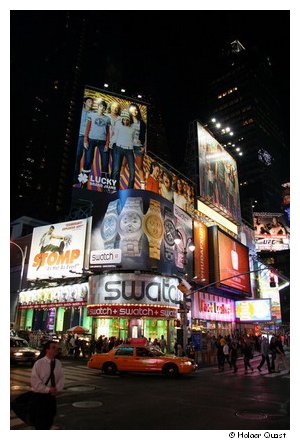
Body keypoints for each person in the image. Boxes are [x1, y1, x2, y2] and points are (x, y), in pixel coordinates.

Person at [30, 340, 64, 429]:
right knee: (40, 423)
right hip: (40, 397)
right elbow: (34, 382)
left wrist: (57, 389)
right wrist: (48, 389)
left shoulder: (58, 363)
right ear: (47, 350)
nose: (56, 349)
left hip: (51, 397)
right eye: (53, 347)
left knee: (49, 420)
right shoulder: (39, 363)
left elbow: (61, 378)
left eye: (57, 348)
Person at [82, 100, 111, 186]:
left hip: (102, 142)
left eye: (104, 108)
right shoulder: (91, 115)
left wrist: (107, 143)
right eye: (101, 106)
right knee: (87, 162)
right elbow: (87, 128)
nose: (102, 109)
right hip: (91, 140)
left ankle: (104, 185)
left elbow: (108, 132)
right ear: (98, 106)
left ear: (105, 109)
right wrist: (85, 140)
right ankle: (83, 183)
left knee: (105, 163)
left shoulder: (107, 119)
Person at [111, 109, 136, 189]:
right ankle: (115, 187)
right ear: (122, 119)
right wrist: (111, 143)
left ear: (129, 119)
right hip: (119, 148)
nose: (125, 121)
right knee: (116, 169)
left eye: (127, 119)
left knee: (132, 171)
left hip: (129, 150)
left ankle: (130, 189)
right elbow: (115, 135)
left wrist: (138, 146)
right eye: (124, 119)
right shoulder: (118, 124)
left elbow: (133, 140)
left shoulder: (133, 128)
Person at [73, 96, 94, 184]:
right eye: (89, 101)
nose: (91, 103)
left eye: (92, 102)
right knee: (77, 157)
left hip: (89, 138)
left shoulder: (93, 113)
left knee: (88, 160)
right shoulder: (80, 111)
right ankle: (75, 179)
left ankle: (83, 180)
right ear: (84, 102)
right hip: (80, 136)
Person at [129, 103, 147, 188]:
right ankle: (119, 181)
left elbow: (146, 136)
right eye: (132, 109)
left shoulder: (142, 123)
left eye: (136, 110)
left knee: (140, 167)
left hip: (138, 146)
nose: (134, 111)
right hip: (128, 145)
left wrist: (144, 147)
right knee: (124, 164)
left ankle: (142, 186)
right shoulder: (127, 121)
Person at [108, 101, 122, 177]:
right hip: (105, 142)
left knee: (116, 165)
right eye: (113, 107)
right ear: (110, 107)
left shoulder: (121, 119)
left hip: (116, 144)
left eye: (116, 108)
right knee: (104, 164)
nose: (115, 109)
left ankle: (113, 182)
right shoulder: (106, 116)